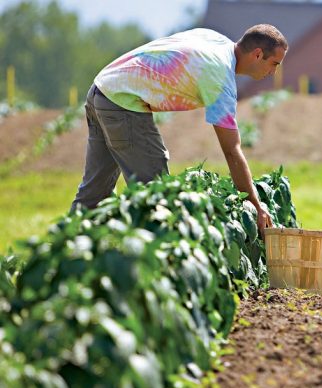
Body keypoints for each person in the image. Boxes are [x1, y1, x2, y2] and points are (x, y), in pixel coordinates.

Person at [71, 24, 288, 233]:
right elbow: (232, 150)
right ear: (258, 54)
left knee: (94, 191)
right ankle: (151, 262)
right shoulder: (220, 77)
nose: (274, 72)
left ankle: (63, 252)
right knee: (157, 195)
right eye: (275, 64)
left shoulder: (216, 40)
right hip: (121, 101)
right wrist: (256, 205)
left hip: (101, 89)